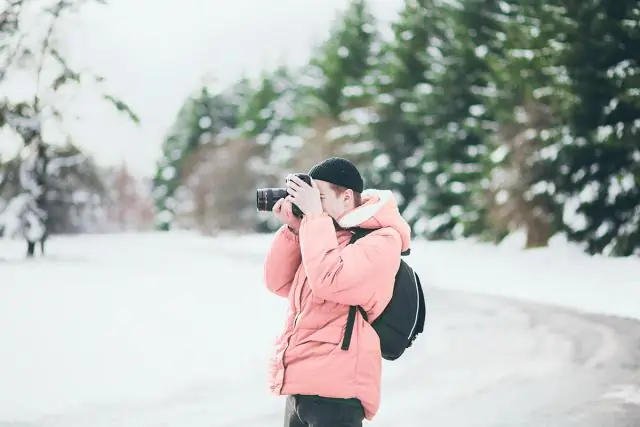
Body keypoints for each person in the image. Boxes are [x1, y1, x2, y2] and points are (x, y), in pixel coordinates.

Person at [263, 157, 412, 427]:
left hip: (338, 394)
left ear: (346, 197)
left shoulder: (382, 239)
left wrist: (314, 219)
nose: (312, 205)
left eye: (318, 197)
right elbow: (278, 282)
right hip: (301, 387)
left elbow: (330, 280)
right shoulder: (322, 232)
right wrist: (294, 230)